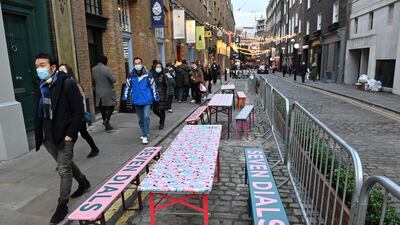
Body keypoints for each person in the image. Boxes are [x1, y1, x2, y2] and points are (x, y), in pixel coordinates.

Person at [34, 53, 90, 224]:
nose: (39, 69)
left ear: (52, 67)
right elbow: (40, 112)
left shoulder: (68, 83)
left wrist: (70, 135)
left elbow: (78, 112)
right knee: (65, 163)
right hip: (48, 136)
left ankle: (62, 204)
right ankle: (83, 182)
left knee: (63, 169)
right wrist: (41, 135)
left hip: (64, 134)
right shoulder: (41, 85)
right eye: (37, 66)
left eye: (42, 65)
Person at [59, 64, 100, 158]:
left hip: (77, 115)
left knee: (72, 137)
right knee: (83, 133)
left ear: (68, 71)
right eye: (59, 71)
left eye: (62, 70)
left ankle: (65, 159)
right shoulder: (65, 84)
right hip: (73, 115)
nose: (60, 73)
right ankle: (94, 149)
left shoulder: (73, 84)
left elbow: (79, 101)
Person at [123, 57, 159, 144]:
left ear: (142, 64)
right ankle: (144, 132)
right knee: (140, 119)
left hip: (147, 100)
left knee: (146, 117)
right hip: (136, 100)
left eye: (139, 63)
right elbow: (127, 87)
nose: (137, 65)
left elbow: (153, 86)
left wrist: (156, 98)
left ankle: (145, 135)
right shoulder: (131, 75)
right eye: (135, 63)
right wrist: (124, 97)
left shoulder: (148, 74)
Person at [92, 55, 117, 131]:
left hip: (98, 91)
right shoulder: (106, 69)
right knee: (112, 106)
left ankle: (105, 122)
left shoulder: (93, 69)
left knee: (102, 108)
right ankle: (106, 120)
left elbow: (93, 80)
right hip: (107, 91)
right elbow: (113, 79)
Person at [151, 62, 168, 130]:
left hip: (162, 95)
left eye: (160, 67)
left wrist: (166, 96)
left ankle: (162, 123)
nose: (158, 68)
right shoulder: (152, 75)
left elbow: (167, 86)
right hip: (155, 96)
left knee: (162, 110)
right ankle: (161, 118)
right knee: (155, 110)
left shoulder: (164, 76)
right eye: (157, 67)